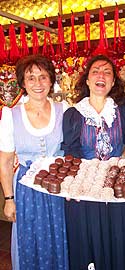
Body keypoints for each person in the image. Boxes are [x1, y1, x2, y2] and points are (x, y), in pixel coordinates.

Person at [61, 54, 125, 270]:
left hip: (117, 190)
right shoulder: (73, 114)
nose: (101, 75)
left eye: (107, 72)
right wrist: (75, 185)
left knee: (119, 241)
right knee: (89, 244)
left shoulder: (124, 110)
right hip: (86, 190)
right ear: (86, 80)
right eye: (96, 71)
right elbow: (71, 153)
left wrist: (120, 167)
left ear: (113, 81)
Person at [0, 55, 69, 270]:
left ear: (51, 80)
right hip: (26, 190)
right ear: (22, 82)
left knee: (59, 236)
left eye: (43, 77)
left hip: (58, 187)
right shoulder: (11, 115)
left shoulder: (64, 109)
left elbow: (72, 151)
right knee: (29, 240)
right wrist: (9, 198)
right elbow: (5, 161)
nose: (37, 83)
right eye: (31, 78)